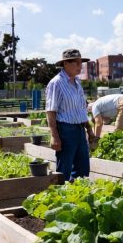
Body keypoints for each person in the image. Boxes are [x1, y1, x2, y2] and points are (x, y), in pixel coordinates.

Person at [46, 48, 94, 181]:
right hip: (65, 130)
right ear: (65, 64)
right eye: (76, 63)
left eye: (81, 63)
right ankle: (62, 198)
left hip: (80, 129)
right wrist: (54, 136)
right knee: (64, 170)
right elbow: (51, 111)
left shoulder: (77, 82)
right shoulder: (56, 83)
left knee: (83, 169)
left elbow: (81, 108)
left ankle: (79, 198)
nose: (80, 66)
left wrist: (89, 130)